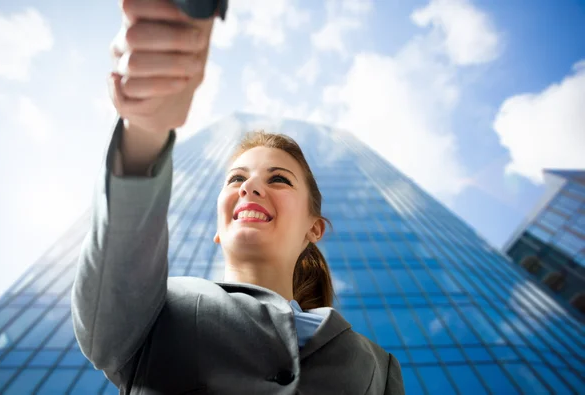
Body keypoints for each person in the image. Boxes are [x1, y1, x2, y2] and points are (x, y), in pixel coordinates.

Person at [71, 0, 405, 394]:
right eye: (236, 179)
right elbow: (120, 254)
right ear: (218, 229)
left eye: (279, 179)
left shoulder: (378, 366)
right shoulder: (153, 311)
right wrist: (146, 125)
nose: (249, 187)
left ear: (313, 228)